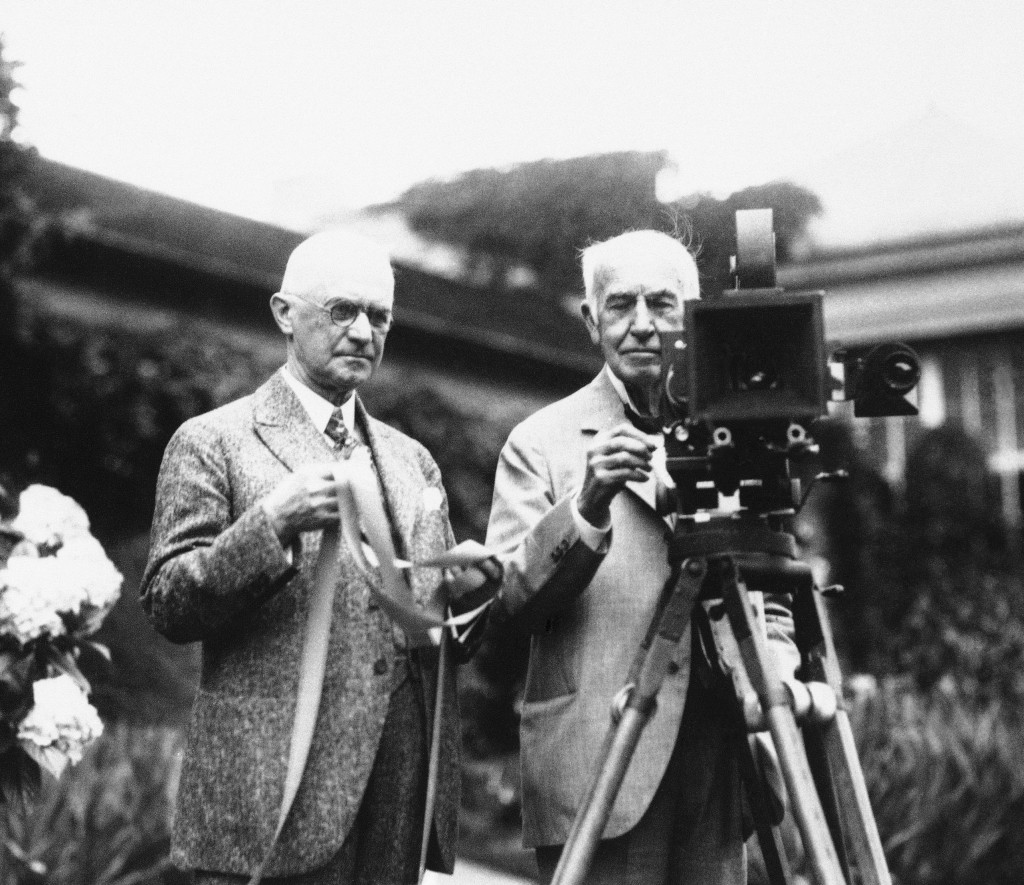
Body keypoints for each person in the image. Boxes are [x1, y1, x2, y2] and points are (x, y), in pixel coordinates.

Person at [141, 231, 497, 885]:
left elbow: (430, 633)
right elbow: (167, 601)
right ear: (284, 313)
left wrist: (466, 598)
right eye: (342, 310)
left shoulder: (412, 459)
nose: (364, 332)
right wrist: (269, 525)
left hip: (396, 787)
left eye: (379, 316)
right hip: (274, 786)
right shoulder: (212, 440)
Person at [485, 230, 799, 885]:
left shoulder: (741, 431)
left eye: (662, 303)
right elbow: (504, 605)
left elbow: (775, 584)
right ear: (590, 319)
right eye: (622, 304)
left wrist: (776, 673)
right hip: (599, 760)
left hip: (722, 757)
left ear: (695, 313)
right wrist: (586, 507)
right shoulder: (538, 442)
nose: (643, 324)